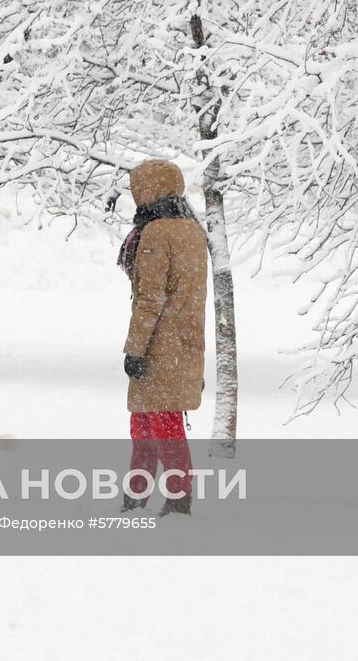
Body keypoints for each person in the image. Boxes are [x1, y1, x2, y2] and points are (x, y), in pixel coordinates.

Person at [117, 158, 207, 516]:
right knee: (151, 421)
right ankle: (139, 496)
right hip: (185, 344)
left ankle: (173, 498)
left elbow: (149, 298)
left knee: (154, 427)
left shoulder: (156, 233)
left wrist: (134, 350)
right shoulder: (192, 231)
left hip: (159, 347)